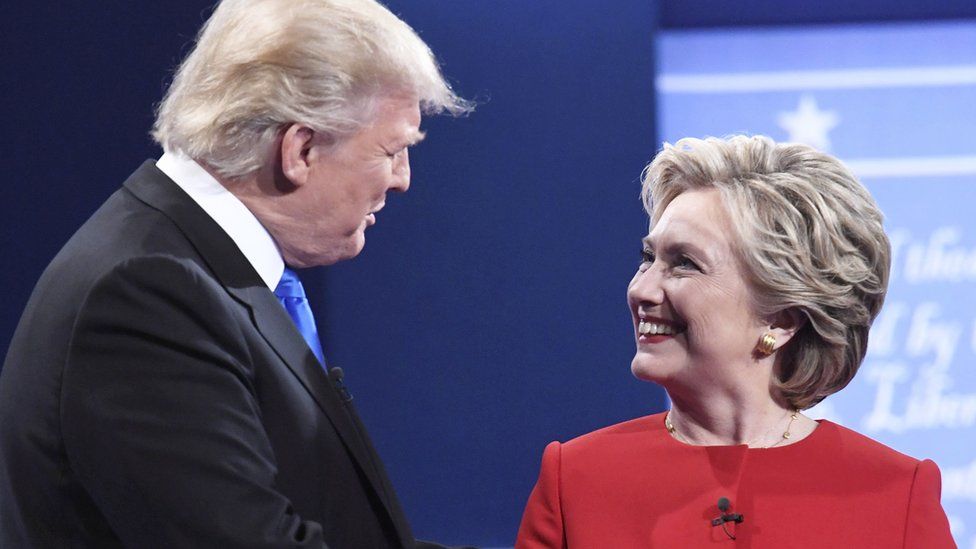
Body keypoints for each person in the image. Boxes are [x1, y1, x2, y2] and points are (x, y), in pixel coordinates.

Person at [0, 1, 472, 547]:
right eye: (392, 151)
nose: (402, 180)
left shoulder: (197, 267)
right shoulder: (150, 294)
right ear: (301, 148)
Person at [515, 135, 956, 547]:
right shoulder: (574, 479)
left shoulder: (897, 494)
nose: (641, 290)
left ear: (783, 319)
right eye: (649, 258)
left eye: (684, 263)